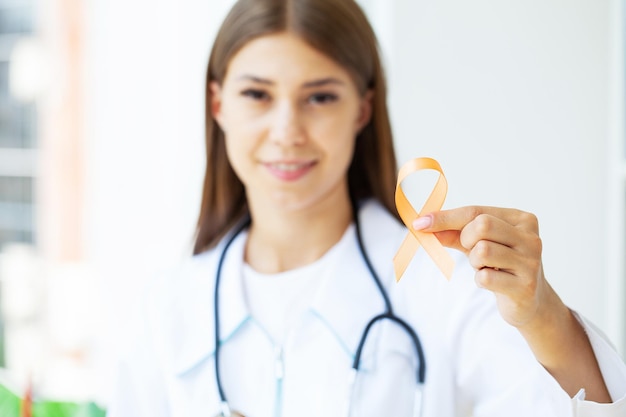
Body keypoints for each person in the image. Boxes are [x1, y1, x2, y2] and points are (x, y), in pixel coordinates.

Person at [106, 0, 626, 416]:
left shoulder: (442, 286)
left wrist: (543, 315)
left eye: (320, 97)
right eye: (257, 95)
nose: (287, 131)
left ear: (363, 108)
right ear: (219, 105)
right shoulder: (167, 310)